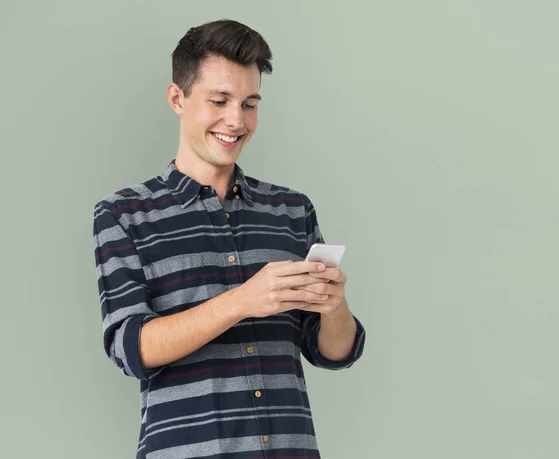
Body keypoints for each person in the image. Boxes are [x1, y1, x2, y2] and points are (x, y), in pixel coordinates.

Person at [92, 19, 366, 459]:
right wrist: (243, 300)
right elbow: (132, 349)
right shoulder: (123, 215)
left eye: (250, 104)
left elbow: (332, 351)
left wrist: (335, 306)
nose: (236, 121)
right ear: (177, 99)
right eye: (219, 100)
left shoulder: (291, 210)